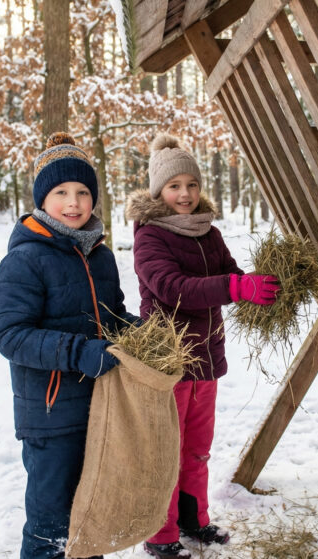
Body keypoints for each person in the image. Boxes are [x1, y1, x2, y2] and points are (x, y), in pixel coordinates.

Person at [126, 134, 280, 559]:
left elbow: (230, 272)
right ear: (159, 191)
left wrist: (256, 284)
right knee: (166, 451)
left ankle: (194, 521)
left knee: (196, 449)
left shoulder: (207, 232)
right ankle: (160, 533)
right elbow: (173, 288)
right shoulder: (150, 236)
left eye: (191, 184)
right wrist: (235, 287)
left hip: (206, 359)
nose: (185, 194)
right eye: (175, 186)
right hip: (169, 361)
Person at [0, 132, 138, 559]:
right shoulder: (25, 259)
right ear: (42, 199)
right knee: (51, 526)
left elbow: (111, 317)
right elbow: (10, 335)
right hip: (51, 415)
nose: (73, 202)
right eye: (61, 192)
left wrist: (140, 334)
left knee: (90, 517)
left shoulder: (100, 255)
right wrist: (80, 352)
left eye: (82, 192)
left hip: (100, 408)